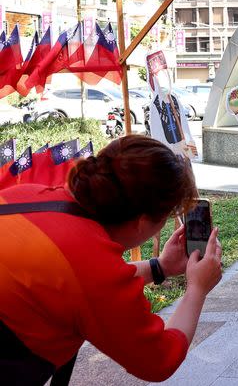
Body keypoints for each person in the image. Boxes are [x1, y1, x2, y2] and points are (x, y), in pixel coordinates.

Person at [0, 136, 223, 384]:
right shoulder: (93, 267)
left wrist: (159, 267)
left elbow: (71, 281)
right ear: (142, 221)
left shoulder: (27, 194)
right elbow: (159, 360)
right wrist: (197, 289)